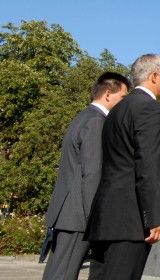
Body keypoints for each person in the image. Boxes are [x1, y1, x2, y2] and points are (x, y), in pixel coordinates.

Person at [88, 54, 160, 280]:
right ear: (154, 77)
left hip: (106, 217)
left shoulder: (117, 109)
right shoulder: (148, 109)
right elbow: (149, 165)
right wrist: (154, 217)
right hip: (130, 220)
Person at [43, 72, 130, 280]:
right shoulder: (96, 122)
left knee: (58, 271)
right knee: (63, 274)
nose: (124, 104)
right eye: (123, 97)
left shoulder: (84, 116)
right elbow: (92, 174)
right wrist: (96, 220)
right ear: (108, 94)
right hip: (78, 216)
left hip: (70, 213)